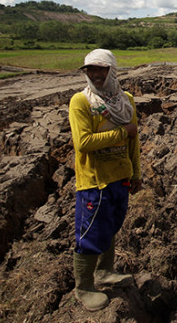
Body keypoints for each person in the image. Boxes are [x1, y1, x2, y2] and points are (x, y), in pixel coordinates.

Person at [68, 48, 141, 311]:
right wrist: (122, 132)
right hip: (94, 181)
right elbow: (83, 143)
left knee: (111, 225)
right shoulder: (82, 102)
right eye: (91, 70)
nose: (96, 75)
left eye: (101, 69)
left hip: (120, 177)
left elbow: (134, 141)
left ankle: (105, 271)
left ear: (112, 71)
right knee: (90, 233)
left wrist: (136, 172)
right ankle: (84, 286)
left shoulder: (127, 100)